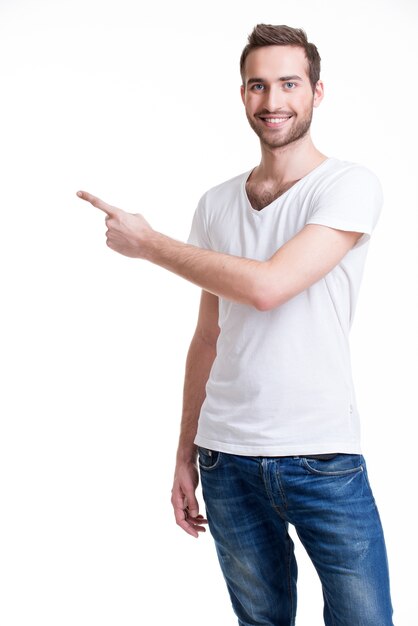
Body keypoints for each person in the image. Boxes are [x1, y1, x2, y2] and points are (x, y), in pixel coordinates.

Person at [77, 23, 394, 626]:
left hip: (321, 457)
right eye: (258, 86)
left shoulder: (348, 185)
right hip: (225, 458)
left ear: (317, 92)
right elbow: (208, 335)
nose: (273, 102)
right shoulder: (217, 203)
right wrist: (184, 451)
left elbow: (269, 286)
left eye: (289, 84)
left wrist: (148, 244)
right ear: (243, 94)